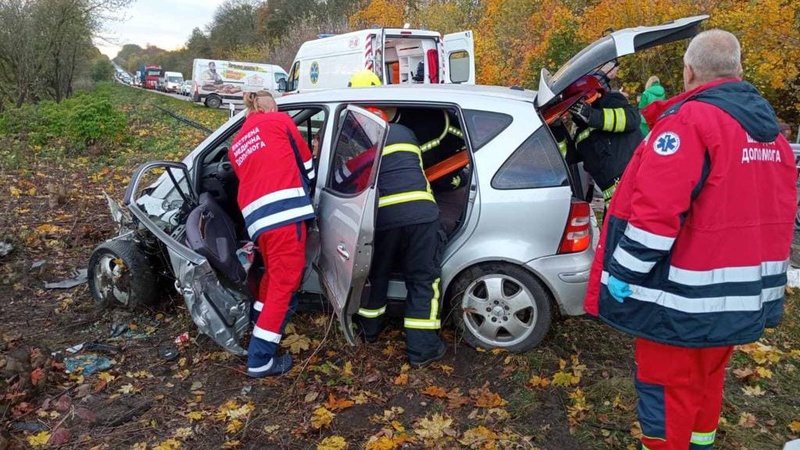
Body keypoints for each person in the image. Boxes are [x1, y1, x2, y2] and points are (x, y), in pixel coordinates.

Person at [584, 29, 796, 450]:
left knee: (665, 392)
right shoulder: (771, 136)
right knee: (706, 381)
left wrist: (622, 273)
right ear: (739, 70)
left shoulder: (688, 123)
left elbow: (655, 215)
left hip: (680, 301)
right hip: (739, 298)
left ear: (688, 72)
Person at [345, 71, 446, 368]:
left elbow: (346, 180)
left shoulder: (354, 140)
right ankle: (422, 350)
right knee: (423, 280)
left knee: (376, 274)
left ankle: (369, 332)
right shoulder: (404, 132)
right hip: (422, 215)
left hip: (383, 218)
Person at [228, 90, 316, 378]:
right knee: (283, 283)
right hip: (285, 213)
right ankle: (260, 359)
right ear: (271, 107)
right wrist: (311, 188)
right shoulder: (279, 121)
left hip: (258, 222)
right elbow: (306, 163)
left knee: (273, 276)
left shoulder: (237, 144)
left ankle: (258, 322)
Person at [567, 59, 643, 210]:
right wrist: (556, 129)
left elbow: (632, 119)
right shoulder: (581, 134)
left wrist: (591, 116)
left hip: (638, 191)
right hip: (615, 204)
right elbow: (569, 156)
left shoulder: (611, 101)